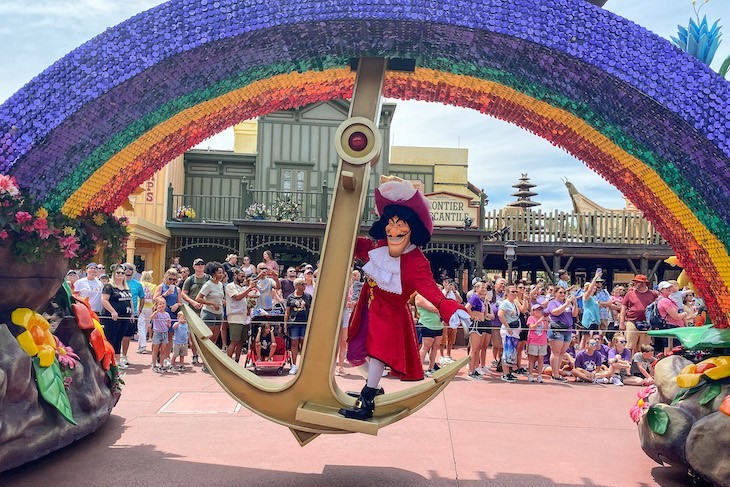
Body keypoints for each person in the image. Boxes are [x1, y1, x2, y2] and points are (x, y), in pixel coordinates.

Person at [339, 177, 469, 420]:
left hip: (390, 314)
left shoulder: (417, 261)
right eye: (390, 223)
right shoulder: (377, 246)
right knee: (354, 352)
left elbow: (432, 291)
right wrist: (340, 228)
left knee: (377, 353)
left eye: (401, 224)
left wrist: (450, 307)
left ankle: (367, 401)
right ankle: (374, 388)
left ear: (412, 228)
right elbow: (356, 246)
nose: (394, 230)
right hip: (367, 308)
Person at [100, 265, 133, 369]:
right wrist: (113, 311)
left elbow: (130, 300)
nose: (120, 275)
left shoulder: (126, 287)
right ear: (114, 274)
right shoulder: (109, 287)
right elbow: (104, 300)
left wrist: (132, 313)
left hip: (125, 317)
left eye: (122, 273)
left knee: (119, 338)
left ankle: (118, 359)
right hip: (112, 318)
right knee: (111, 338)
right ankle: (109, 360)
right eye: (118, 273)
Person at [196, 261, 226, 372]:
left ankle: (210, 362)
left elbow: (218, 297)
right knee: (208, 339)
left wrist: (222, 302)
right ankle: (205, 363)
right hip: (209, 313)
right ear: (213, 274)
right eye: (219, 272)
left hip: (219, 314)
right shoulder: (208, 284)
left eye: (222, 272)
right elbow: (198, 298)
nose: (221, 274)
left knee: (214, 339)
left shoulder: (220, 284)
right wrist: (212, 304)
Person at [547, 285, 579, 382]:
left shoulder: (568, 304)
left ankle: (557, 372)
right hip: (557, 330)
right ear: (555, 293)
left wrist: (575, 304)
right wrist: (565, 304)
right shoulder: (552, 302)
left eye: (564, 293)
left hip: (568, 330)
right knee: (556, 352)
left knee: (561, 353)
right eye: (560, 292)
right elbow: (554, 312)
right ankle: (555, 374)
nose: (563, 294)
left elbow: (574, 314)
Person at [620, 274, 658, 353]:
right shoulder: (630, 294)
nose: (635, 283)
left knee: (644, 347)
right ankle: (629, 363)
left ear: (644, 283)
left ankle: (641, 363)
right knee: (629, 346)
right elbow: (623, 308)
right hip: (632, 321)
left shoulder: (653, 294)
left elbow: (657, 308)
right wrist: (621, 323)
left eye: (638, 282)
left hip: (647, 323)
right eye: (635, 282)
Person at [181, 258, 209, 365]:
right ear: (194, 266)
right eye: (198, 264)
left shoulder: (208, 278)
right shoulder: (190, 279)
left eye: (202, 264)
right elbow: (184, 293)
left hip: (206, 309)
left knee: (205, 334)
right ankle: (194, 355)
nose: (200, 266)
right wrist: (192, 302)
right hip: (193, 310)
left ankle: (205, 356)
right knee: (193, 334)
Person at [153, 268, 182, 368]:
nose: (172, 282)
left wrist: (177, 305)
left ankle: (166, 357)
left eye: (174, 280)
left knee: (169, 336)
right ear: (166, 278)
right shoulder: (161, 287)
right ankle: (157, 357)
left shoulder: (177, 289)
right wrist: (165, 294)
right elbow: (155, 298)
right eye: (170, 279)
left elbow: (180, 302)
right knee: (158, 336)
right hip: (162, 313)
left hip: (172, 313)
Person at [225, 268, 256, 362]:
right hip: (234, 317)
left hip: (244, 318)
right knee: (234, 341)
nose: (243, 278)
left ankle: (236, 361)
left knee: (241, 342)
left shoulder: (242, 288)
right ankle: (228, 363)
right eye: (241, 276)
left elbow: (248, 298)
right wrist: (250, 288)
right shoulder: (230, 286)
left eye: (244, 276)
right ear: (235, 276)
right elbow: (237, 297)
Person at [656, 281, 694, 353]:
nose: (670, 289)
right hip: (671, 327)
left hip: (673, 327)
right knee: (671, 349)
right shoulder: (665, 301)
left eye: (670, 287)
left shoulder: (668, 300)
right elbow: (676, 317)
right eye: (667, 288)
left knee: (673, 348)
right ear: (661, 290)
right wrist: (685, 314)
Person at [284, 277, 312, 375]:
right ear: (297, 286)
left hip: (305, 323)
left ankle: (304, 365)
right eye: (303, 284)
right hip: (294, 323)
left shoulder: (308, 296)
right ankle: (294, 365)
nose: (305, 286)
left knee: (304, 344)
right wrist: (285, 325)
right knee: (294, 343)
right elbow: (287, 313)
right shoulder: (290, 297)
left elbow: (312, 310)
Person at [338, 269, 362, 376]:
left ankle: (341, 367)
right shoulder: (339, 286)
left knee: (344, 342)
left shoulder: (351, 287)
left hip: (346, 314)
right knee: (335, 343)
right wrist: (345, 303)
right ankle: (334, 366)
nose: (351, 278)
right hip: (337, 315)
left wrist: (351, 304)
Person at [414, 292, 445, 377]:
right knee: (425, 347)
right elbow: (431, 308)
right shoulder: (419, 296)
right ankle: (419, 370)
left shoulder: (431, 295)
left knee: (435, 347)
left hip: (438, 325)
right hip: (427, 324)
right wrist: (443, 308)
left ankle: (431, 368)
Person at [120, 263, 145, 367]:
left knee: (127, 336)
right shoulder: (117, 282)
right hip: (119, 313)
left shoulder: (138, 284)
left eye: (130, 269)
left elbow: (142, 298)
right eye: (126, 268)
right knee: (117, 336)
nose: (128, 270)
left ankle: (124, 356)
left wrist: (139, 311)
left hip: (132, 314)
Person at [465, 281, 491, 380]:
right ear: (476, 288)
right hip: (475, 325)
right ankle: (470, 371)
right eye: (482, 288)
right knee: (474, 349)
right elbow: (467, 307)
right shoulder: (475, 297)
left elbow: (484, 314)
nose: (484, 289)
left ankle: (474, 369)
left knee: (476, 349)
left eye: (485, 288)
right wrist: (472, 316)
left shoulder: (480, 299)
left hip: (480, 324)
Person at [498, 283, 521, 382]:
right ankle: (505, 373)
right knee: (507, 351)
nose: (515, 293)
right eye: (512, 291)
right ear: (507, 293)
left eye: (516, 291)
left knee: (512, 352)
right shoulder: (505, 303)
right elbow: (500, 315)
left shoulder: (514, 303)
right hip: (508, 331)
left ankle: (509, 371)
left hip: (515, 330)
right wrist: (507, 327)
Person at [578, 270, 602, 349]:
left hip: (595, 320)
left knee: (593, 337)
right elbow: (589, 289)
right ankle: (582, 352)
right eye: (593, 286)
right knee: (586, 337)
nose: (595, 287)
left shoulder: (594, 298)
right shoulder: (586, 296)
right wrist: (595, 278)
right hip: (588, 320)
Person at [526, 303, 549, 383]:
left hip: (542, 341)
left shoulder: (544, 319)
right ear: (533, 311)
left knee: (540, 359)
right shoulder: (531, 318)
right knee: (532, 358)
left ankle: (539, 375)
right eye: (537, 309)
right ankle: (531, 374)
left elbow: (546, 329)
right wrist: (539, 321)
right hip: (533, 340)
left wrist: (546, 321)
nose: (539, 311)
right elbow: (532, 327)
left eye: (540, 310)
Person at [136, 270, 156, 355]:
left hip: (140, 306)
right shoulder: (154, 286)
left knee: (141, 326)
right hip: (149, 307)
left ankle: (143, 345)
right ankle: (141, 345)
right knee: (144, 327)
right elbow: (155, 297)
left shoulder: (139, 284)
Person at [149, 297, 170, 373]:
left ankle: (161, 365)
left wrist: (168, 323)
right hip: (157, 333)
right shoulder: (156, 314)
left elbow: (169, 325)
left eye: (163, 303)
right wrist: (156, 311)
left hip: (165, 333)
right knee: (155, 350)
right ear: (157, 305)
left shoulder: (167, 314)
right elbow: (151, 318)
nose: (162, 305)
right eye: (160, 304)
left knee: (163, 350)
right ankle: (154, 364)